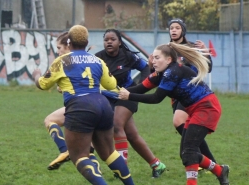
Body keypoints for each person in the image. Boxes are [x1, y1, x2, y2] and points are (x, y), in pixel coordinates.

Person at [33, 25, 135, 185]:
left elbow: (43, 84)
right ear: (86, 42)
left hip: (80, 107)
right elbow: (111, 84)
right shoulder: (97, 60)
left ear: (69, 42)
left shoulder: (62, 61)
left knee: (79, 156)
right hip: (103, 105)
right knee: (109, 153)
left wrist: (37, 75)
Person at [118, 42, 229, 185]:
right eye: (153, 57)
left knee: (189, 152)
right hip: (195, 110)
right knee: (187, 153)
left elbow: (156, 98)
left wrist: (128, 96)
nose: (152, 60)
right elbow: (140, 88)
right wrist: (116, 91)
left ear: (169, 59)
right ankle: (220, 171)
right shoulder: (160, 73)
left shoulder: (172, 72)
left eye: (157, 57)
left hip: (206, 108)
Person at [95, 29, 166, 178]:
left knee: (116, 124)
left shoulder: (127, 56)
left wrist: (139, 88)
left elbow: (146, 68)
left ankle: (122, 167)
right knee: (132, 135)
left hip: (127, 95)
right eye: (106, 39)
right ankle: (157, 164)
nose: (109, 42)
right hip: (108, 97)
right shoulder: (98, 58)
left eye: (112, 39)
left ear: (119, 42)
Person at [148, 18, 217, 165]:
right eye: (171, 27)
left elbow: (208, 68)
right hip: (176, 95)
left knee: (179, 121)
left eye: (177, 28)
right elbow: (159, 75)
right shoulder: (166, 50)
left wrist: (206, 54)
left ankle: (201, 159)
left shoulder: (192, 47)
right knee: (189, 135)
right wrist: (151, 66)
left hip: (192, 92)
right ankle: (207, 162)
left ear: (183, 31)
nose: (173, 30)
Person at [39, 32, 99, 171]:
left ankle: (64, 150)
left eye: (59, 47)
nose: (58, 51)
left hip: (83, 106)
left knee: (50, 120)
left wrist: (37, 76)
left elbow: (43, 84)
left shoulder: (66, 61)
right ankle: (100, 172)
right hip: (101, 107)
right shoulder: (89, 59)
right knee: (91, 147)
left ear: (68, 45)